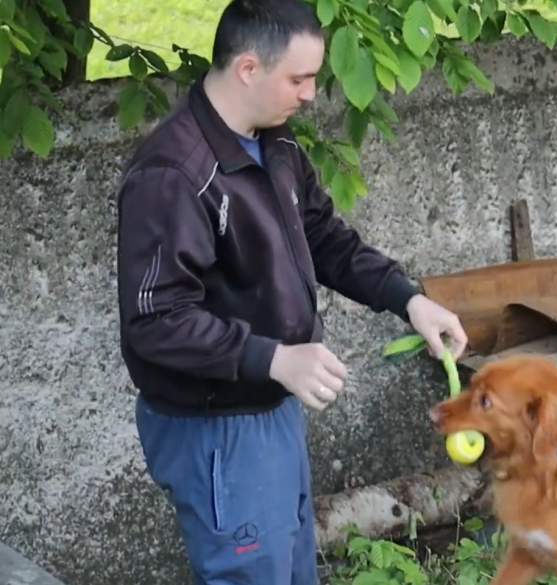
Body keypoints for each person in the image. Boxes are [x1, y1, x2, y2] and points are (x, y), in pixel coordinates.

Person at [114, 0, 468, 582]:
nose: (310, 94)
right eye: (299, 78)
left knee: (292, 570)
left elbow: (325, 238)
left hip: (270, 405)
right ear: (249, 68)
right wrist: (275, 357)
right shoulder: (173, 175)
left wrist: (409, 300)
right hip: (215, 429)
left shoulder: (275, 144)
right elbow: (156, 319)